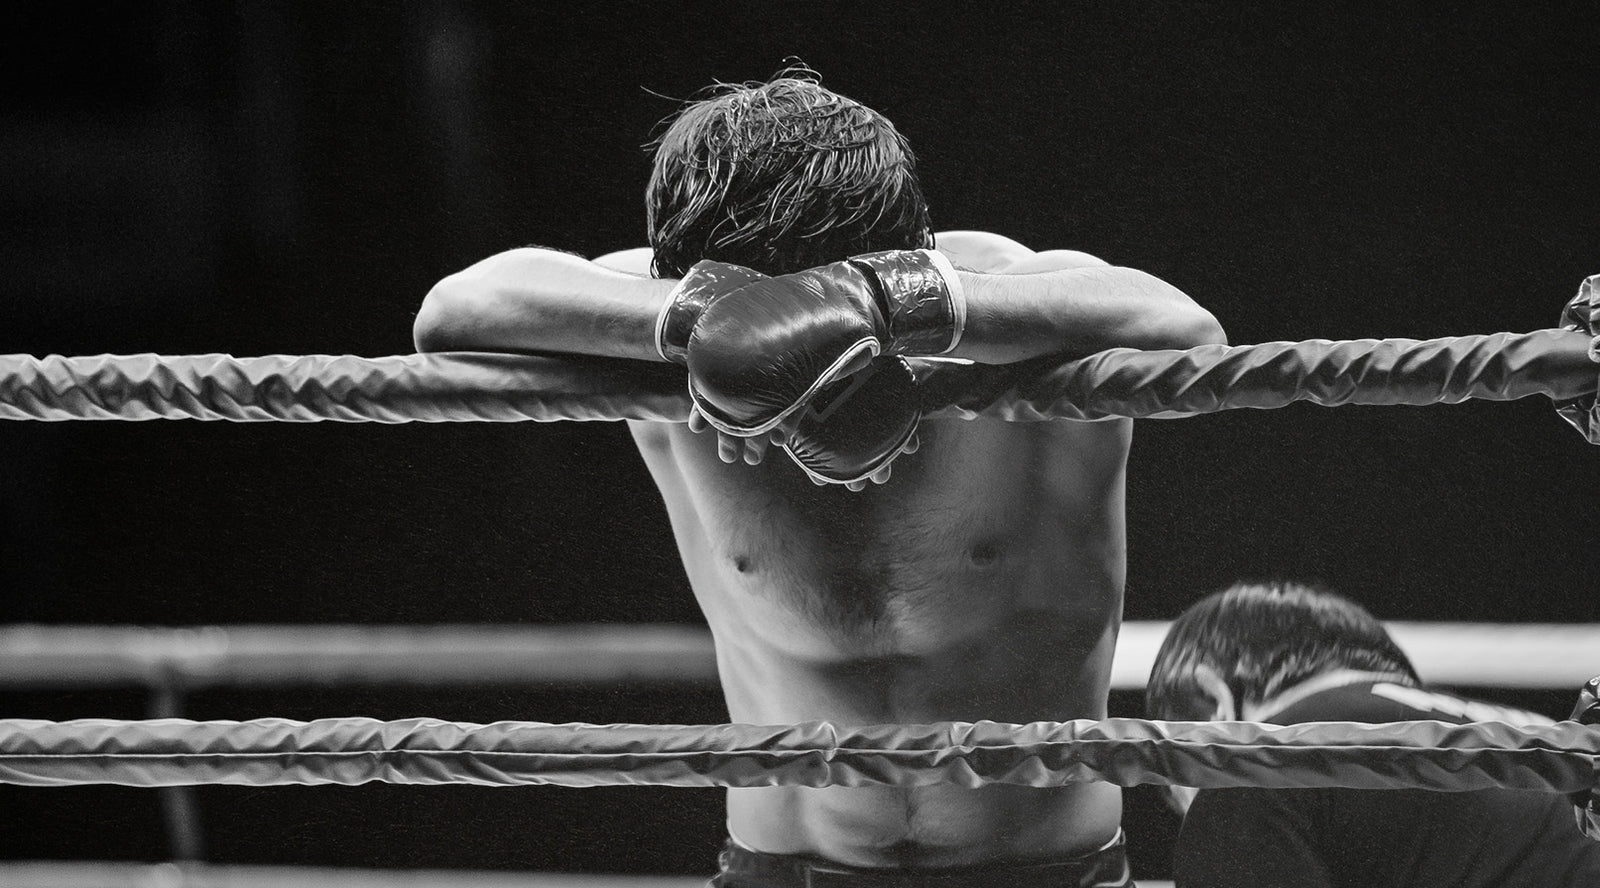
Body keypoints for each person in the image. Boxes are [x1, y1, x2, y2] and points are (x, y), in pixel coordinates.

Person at [414, 71, 1225, 886]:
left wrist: (883, 306)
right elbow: (455, 311)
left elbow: (1190, 334)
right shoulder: (659, 320)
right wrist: (717, 332)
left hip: (1044, 868)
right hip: (782, 867)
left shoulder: (1021, 305)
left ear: (914, 251)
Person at [1146, 580, 1600, 887]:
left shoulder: (1255, 765)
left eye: (1179, 796)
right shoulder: (1535, 732)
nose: (1191, 816)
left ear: (1216, 705)